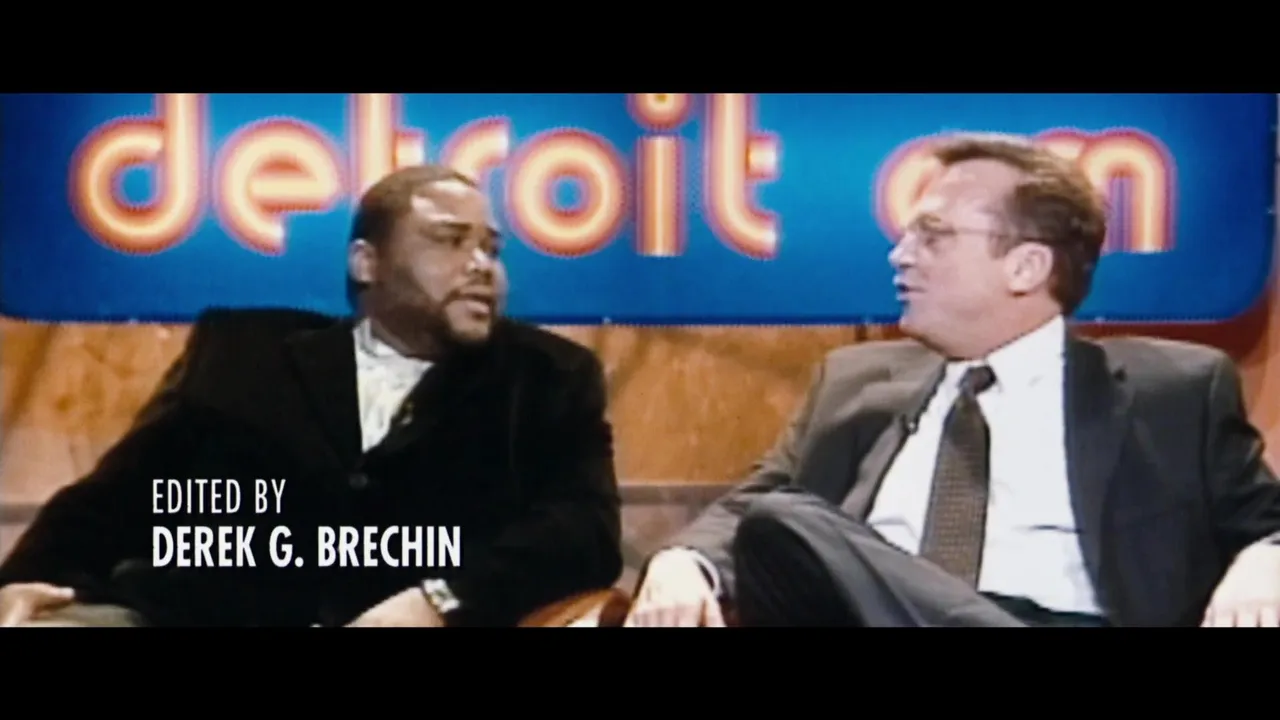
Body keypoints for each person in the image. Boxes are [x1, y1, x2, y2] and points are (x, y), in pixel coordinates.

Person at [625, 132, 1280, 628]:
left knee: (788, 522)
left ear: (1025, 267)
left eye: (933, 236)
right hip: (882, 612)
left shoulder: (1174, 392)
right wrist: (686, 561)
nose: (900, 255)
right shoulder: (853, 385)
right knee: (784, 522)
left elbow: (1268, 523)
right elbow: (752, 506)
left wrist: (1266, 559)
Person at [0, 164, 622, 627]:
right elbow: (119, 497)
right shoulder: (245, 355)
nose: (481, 264)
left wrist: (441, 600)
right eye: (449, 239)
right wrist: (26, 579)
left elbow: (582, 532)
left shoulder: (545, 379)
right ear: (366, 262)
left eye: (491, 248)